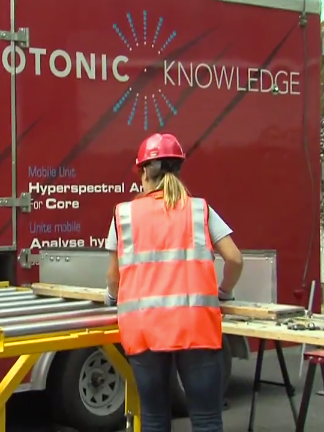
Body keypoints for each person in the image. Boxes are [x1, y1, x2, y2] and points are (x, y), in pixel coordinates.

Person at [104, 133, 244, 432]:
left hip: (143, 331)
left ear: (143, 172)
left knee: (154, 420)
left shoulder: (124, 215)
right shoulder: (200, 210)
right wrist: (224, 292)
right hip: (196, 327)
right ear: (178, 170)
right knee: (206, 420)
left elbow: (113, 276)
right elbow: (234, 259)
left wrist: (112, 298)